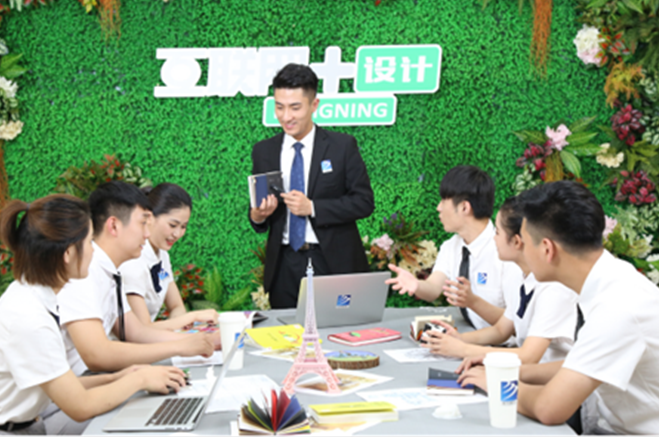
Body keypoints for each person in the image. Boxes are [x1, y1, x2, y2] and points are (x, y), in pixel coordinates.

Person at [0, 195, 186, 435]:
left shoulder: (35, 296)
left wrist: (120, 377)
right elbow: (80, 406)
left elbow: (63, 384)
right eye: (89, 242)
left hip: (24, 426)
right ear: (68, 254)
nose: (93, 250)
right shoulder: (29, 318)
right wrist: (140, 380)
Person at [459, 181, 659, 435]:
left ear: (547, 249)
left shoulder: (618, 308)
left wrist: (497, 382)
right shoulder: (612, 278)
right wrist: (513, 370)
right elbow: (583, 362)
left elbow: (549, 408)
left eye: (526, 243)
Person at [57, 181, 218, 377]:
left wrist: (197, 342)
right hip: (79, 383)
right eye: (143, 223)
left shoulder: (110, 271)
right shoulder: (84, 272)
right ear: (114, 226)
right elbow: (97, 354)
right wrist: (180, 346)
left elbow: (136, 332)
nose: (147, 233)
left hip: (93, 378)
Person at [249, 63, 374, 309]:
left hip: (331, 262)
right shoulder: (264, 151)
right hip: (284, 265)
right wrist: (258, 215)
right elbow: (257, 211)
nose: (286, 116)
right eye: (279, 107)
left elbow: (363, 202)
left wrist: (313, 208)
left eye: (295, 107)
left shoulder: (341, 147)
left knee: (338, 327)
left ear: (314, 105)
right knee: (286, 330)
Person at [423, 196, 577, 365]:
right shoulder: (523, 277)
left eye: (497, 232)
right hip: (527, 371)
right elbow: (501, 330)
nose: (493, 239)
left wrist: (463, 349)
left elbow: (528, 356)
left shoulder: (553, 288)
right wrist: (459, 338)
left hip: (550, 376)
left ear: (517, 241)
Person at [386, 165, 523, 330]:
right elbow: (434, 288)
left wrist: (472, 302)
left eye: (444, 201)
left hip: (501, 344)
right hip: (469, 335)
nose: (438, 208)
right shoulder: (451, 246)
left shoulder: (506, 252)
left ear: (465, 207)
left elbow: (518, 323)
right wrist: (416, 285)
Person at [120, 183, 218, 331]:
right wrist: (192, 317)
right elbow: (143, 331)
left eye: (183, 227)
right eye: (172, 225)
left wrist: (177, 325)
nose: (177, 234)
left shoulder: (162, 255)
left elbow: (176, 306)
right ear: (149, 217)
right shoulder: (132, 260)